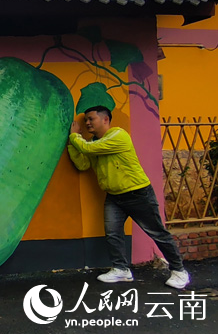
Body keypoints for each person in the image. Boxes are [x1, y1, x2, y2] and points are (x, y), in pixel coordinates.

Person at [67, 105, 189, 289]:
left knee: (157, 232)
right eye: (86, 121)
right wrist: (72, 146)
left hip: (137, 193)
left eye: (91, 119)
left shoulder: (118, 136)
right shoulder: (94, 143)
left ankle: (179, 271)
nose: (87, 123)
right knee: (113, 234)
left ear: (105, 119)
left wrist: (75, 136)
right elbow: (84, 163)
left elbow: (88, 149)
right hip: (114, 196)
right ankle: (121, 270)